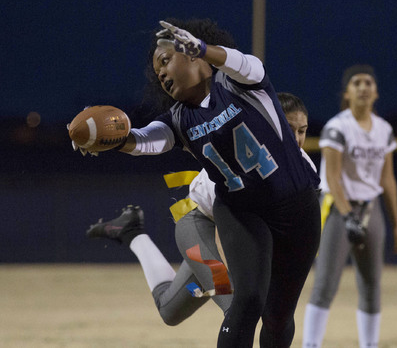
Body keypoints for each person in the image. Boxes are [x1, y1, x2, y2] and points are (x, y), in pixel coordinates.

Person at [76, 18, 321, 348]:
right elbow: (146, 140)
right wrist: (114, 140)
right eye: (157, 70)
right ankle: (142, 239)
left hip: (284, 214)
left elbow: (246, 64)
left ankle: (131, 232)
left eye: (165, 61)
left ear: (192, 55)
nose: (161, 74)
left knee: (185, 309)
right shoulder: (179, 118)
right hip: (216, 221)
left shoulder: (239, 84)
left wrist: (207, 50)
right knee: (243, 302)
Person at [85, 92, 314, 330]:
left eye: (302, 130)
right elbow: (228, 227)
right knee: (238, 307)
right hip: (199, 221)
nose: (296, 139)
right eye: (288, 129)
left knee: (169, 310)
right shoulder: (243, 163)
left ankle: (131, 232)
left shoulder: (305, 169)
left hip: (233, 236)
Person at [301, 64, 397, 348]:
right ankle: (311, 344)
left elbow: (389, 180)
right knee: (326, 283)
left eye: (368, 82)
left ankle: (369, 344)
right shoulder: (338, 126)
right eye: (356, 83)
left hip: (371, 210)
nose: (363, 87)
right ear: (346, 94)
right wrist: (348, 216)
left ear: (376, 92)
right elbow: (332, 177)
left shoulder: (384, 129)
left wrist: (396, 224)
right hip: (338, 209)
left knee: (371, 283)